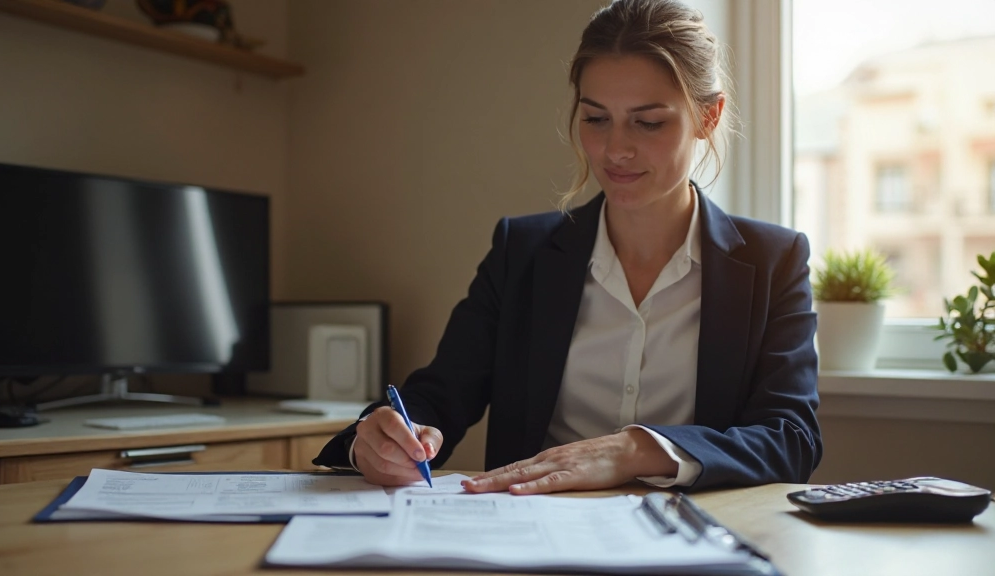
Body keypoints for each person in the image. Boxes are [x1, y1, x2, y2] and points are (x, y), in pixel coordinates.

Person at [313, 0, 822, 494]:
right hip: (531, 537)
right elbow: (437, 396)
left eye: (648, 122)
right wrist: (380, 442)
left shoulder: (773, 261)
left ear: (708, 118)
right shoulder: (521, 251)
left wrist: (635, 450)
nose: (615, 149)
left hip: (692, 542)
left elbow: (790, 439)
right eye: (596, 118)